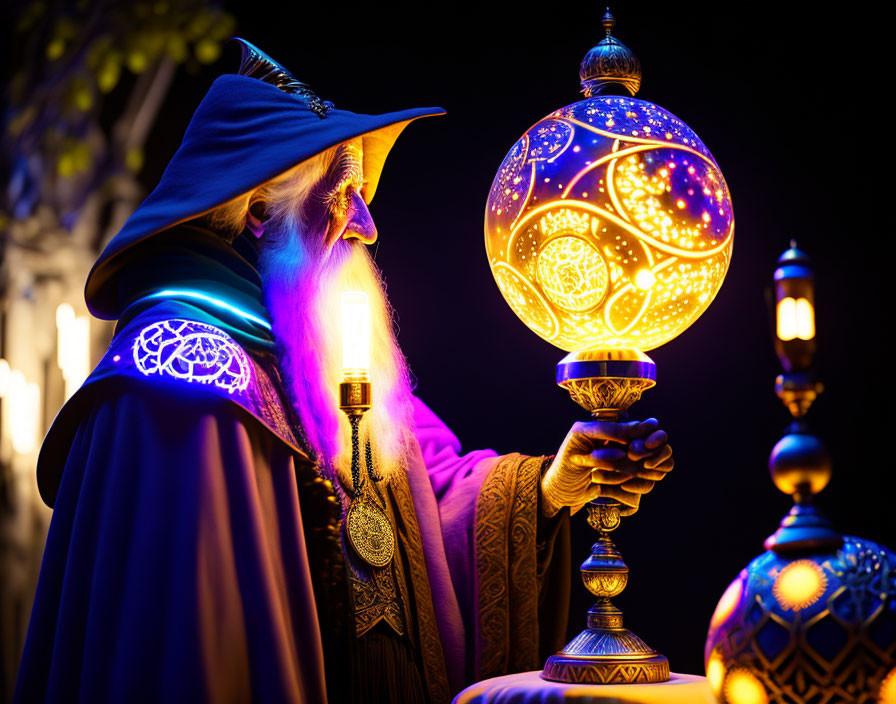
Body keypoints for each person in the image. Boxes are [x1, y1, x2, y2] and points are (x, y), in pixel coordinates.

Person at [15, 41, 673, 704]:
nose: (365, 220)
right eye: (344, 190)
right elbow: (188, 655)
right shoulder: (179, 376)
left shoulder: (317, 363)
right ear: (259, 210)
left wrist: (554, 487)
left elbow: (435, 503)